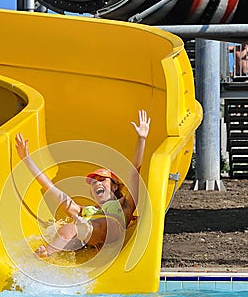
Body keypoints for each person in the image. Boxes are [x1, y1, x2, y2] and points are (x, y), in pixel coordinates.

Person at [15, 109, 151, 258]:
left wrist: (141, 139)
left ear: (114, 186)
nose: (97, 184)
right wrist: (26, 159)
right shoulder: (85, 211)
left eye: (102, 180)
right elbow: (52, 189)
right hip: (87, 237)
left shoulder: (124, 205)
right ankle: (48, 252)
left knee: (101, 224)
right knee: (68, 228)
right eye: (93, 183)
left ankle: (87, 231)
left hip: (108, 234)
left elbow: (134, 174)